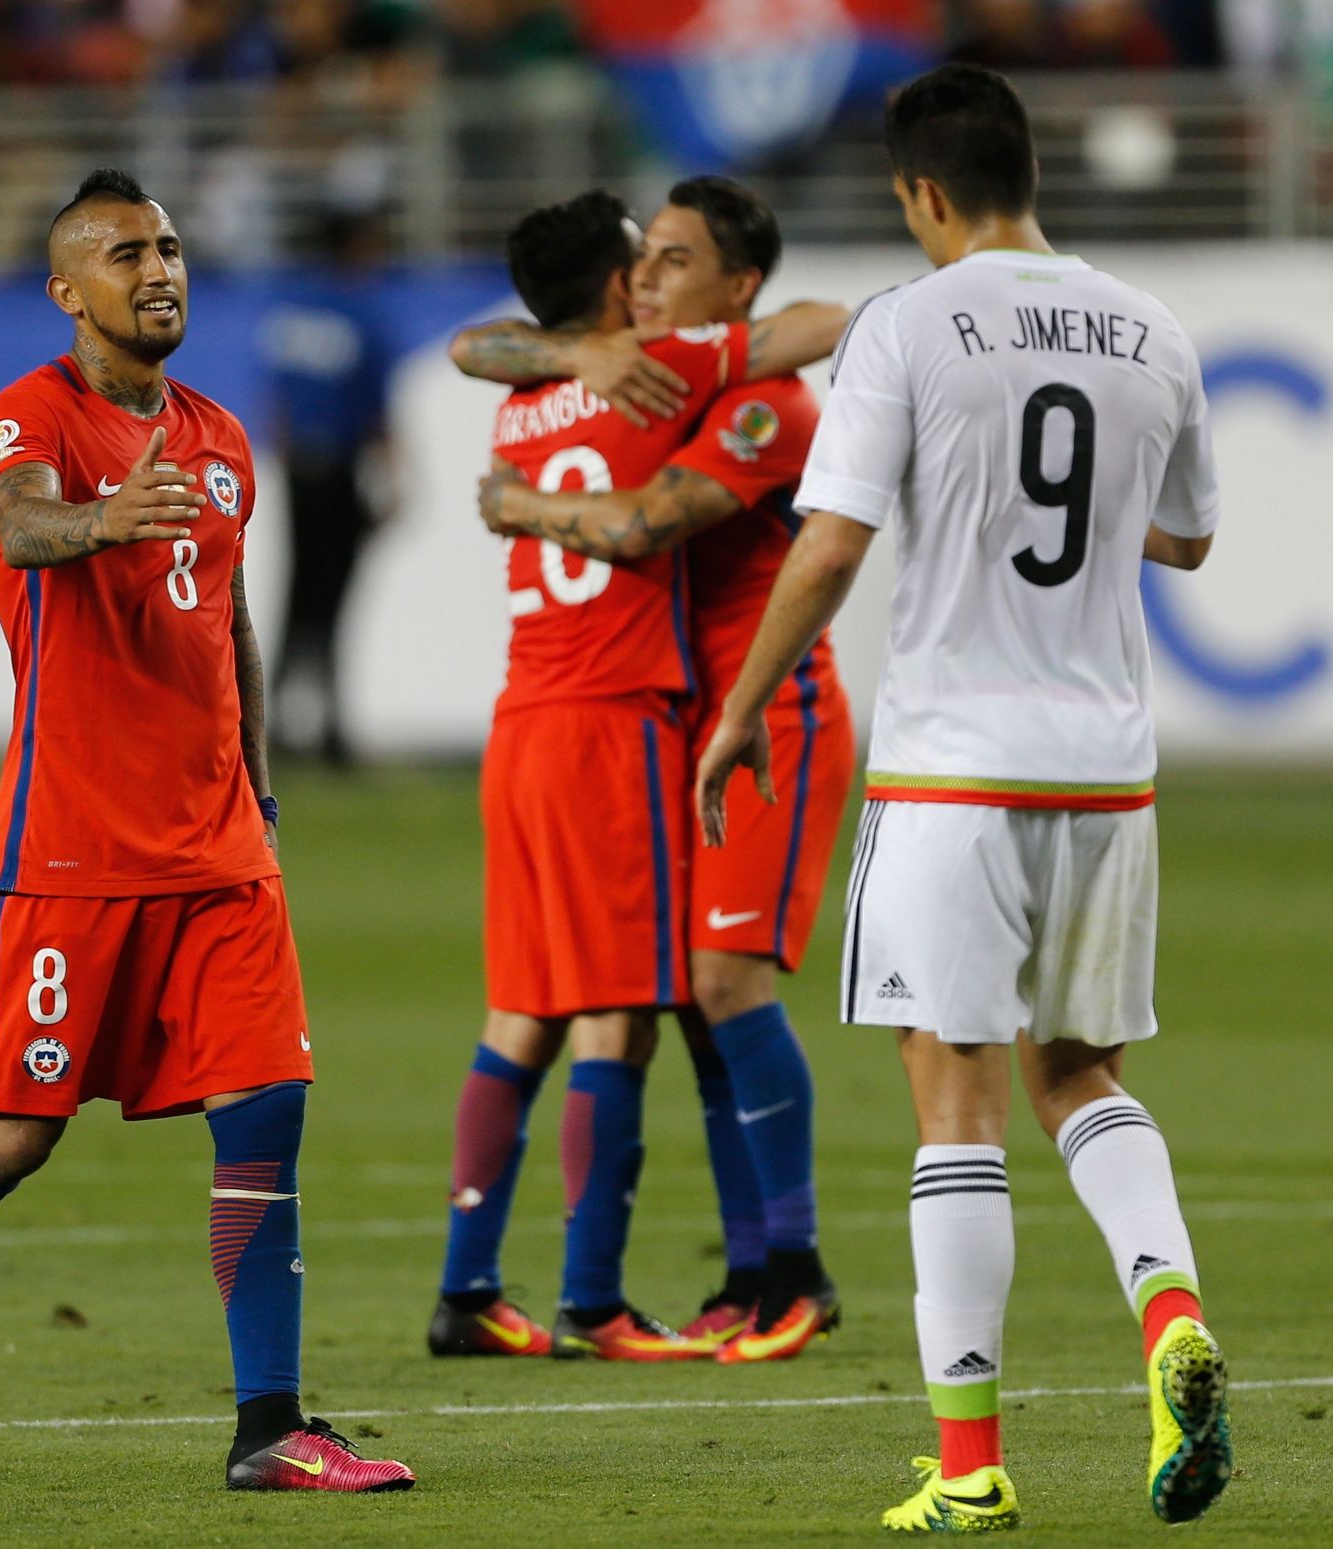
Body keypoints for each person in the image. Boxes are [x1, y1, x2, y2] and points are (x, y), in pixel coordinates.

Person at [695, 63, 1229, 1531]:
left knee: (955, 1102)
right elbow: (1183, 542)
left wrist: (741, 710)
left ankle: (974, 1465)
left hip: (952, 767)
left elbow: (829, 548)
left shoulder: (907, 325)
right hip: (1106, 771)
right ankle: (1169, 1310)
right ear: (1026, 171)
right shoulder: (1152, 327)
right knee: (1080, 1075)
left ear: (922, 192)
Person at [0, 169, 414, 1496]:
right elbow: (23, 519)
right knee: (8, 1139)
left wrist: (257, 787)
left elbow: (231, 619)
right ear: (67, 289)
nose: (159, 269)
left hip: (217, 853)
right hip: (71, 857)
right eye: (123, 252)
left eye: (169, 246)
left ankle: (270, 1426)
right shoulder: (26, 419)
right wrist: (104, 518)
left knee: (268, 1112)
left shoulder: (217, 435)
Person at [425, 189, 845, 1362]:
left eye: (676, 258)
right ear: (613, 290)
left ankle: (485, 1286)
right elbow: (818, 319)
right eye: (642, 261)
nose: (654, 277)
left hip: (580, 722)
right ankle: (600, 1297)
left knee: (566, 1002)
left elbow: (479, 350)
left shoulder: (526, 397)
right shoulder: (663, 367)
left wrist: (518, 499)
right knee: (630, 1011)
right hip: (621, 725)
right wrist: (607, 351)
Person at [258, 204, 394, 765]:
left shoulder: (291, 311)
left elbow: (279, 403)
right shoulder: (361, 314)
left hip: (298, 470)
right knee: (334, 596)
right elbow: (375, 410)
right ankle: (331, 727)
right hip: (339, 469)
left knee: (295, 594)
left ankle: (278, 724)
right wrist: (392, 477)